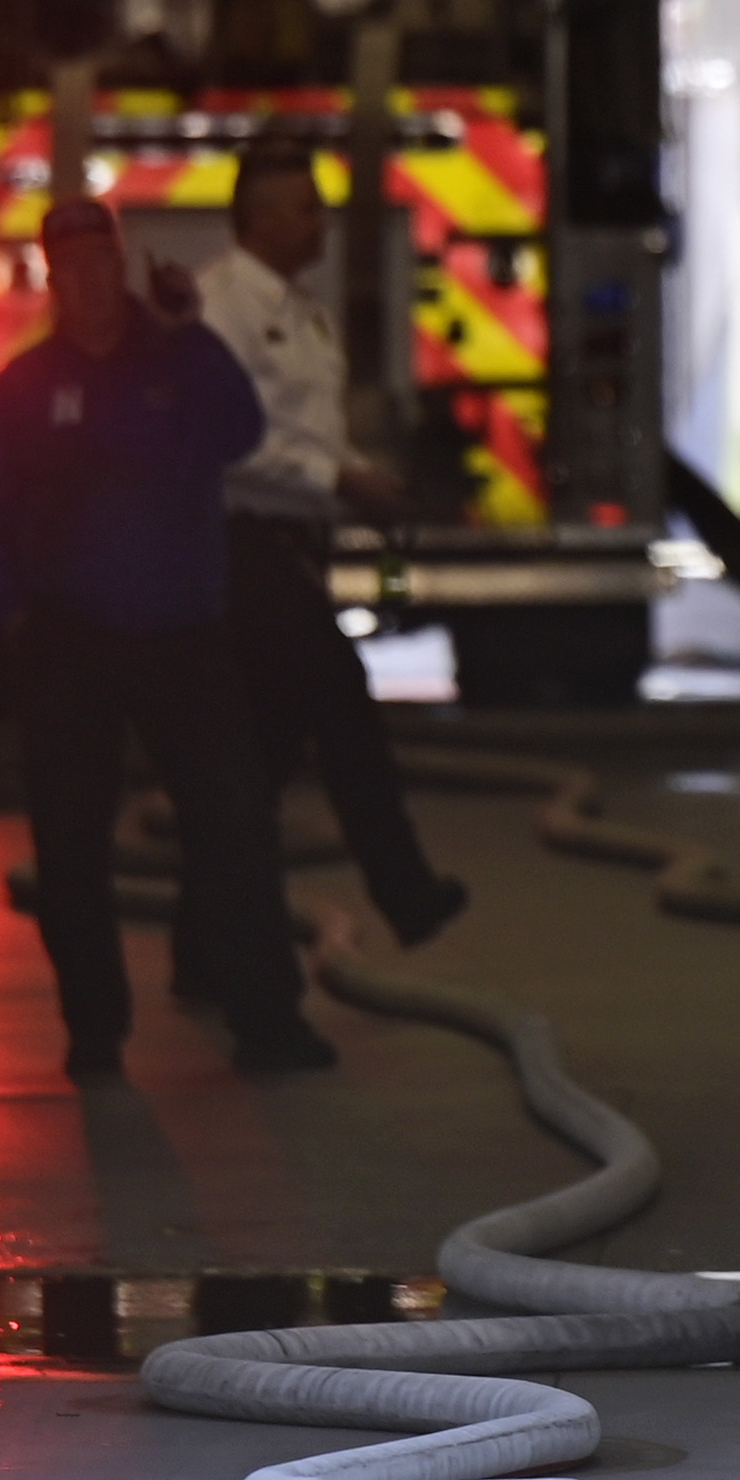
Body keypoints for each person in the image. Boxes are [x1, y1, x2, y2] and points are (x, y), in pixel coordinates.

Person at [0, 191, 338, 1080]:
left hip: (184, 638)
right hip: (71, 645)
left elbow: (240, 428)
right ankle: (94, 1031)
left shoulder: (176, 356)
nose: (89, 281)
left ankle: (268, 1022)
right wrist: (11, 613)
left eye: (102, 262)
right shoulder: (24, 386)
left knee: (235, 826)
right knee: (69, 844)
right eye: (71, 268)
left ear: (122, 264)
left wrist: (188, 332)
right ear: (53, 278)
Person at [201, 134, 469, 949]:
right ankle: (406, 891)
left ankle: (203, 946)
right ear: (261, 216)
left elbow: (307, 430)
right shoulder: (222, 310)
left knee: (263, 762)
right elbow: (226, 441)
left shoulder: (303, 313)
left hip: (296, 549)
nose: (319, 222)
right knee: (345, 713)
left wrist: (365, 482)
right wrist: (339, 481)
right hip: (246, 551)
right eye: (305, 206)